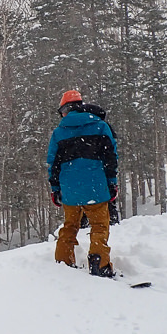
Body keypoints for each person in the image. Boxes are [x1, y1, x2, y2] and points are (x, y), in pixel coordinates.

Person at [46, 90, 119, 277]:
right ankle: (99, 264)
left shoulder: (59, 132)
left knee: (70, 226)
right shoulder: (101, 126)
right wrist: (112, 183)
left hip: (70, 190)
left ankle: (62, 262)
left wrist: (55, 189)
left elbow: (53, 164)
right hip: (96, 187)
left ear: (66, 110)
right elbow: (110, 158)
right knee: (99, 227)